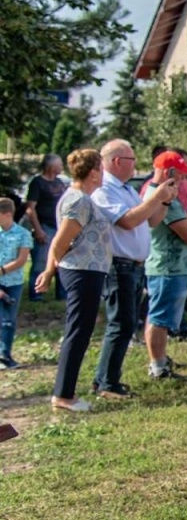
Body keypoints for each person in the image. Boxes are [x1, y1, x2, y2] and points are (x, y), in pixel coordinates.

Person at [90, 139, 178, 398]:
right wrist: (156, 198)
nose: (135, 166)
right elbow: (127, 221)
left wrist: (162, 201)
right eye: (132, 160)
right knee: (121, 324)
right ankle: (106, 382)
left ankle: (107, 380)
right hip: (119, 266)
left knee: (127, 323)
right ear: (117, 161)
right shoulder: (104, 190)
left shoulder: (126, 190)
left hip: (135, 266)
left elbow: (150, 220)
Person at [34, 148, 113, 411]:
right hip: (81, 271)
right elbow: (60, 241)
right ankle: (64, 395)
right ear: (93, 173)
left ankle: (64, 393)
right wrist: (48, 272)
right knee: (77, 332)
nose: (103, 174)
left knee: (80, 330)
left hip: (87, 270)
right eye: (101, 169)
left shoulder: (81, 198)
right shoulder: (79, 200)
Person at [144, 151, 187, 380]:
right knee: (159, 318)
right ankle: (158, 366)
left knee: (159, 316)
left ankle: (159, 359)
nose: (184, 180)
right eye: (181, 175)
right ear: (169, 172)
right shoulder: (162, 198)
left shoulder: (162, 196)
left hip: (170, 265)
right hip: (168, 266)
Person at [24, 154, 66, 302]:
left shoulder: (60, 183)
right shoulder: (38, 183)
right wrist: (38, 230)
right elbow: (30, 208)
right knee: (40, 263)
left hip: (60, 227)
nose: (62, 167)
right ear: (51, 167)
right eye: (60, 164)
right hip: (44, 227)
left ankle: (62, 295)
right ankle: (36, 294)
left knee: (62, 263)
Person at [0, 200, 32, 368]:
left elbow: (22, 259)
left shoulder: (23, 234)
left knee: (8, 320)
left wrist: (2, 271)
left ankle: (5, 354)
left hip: (13, 283)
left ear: (7, 215)